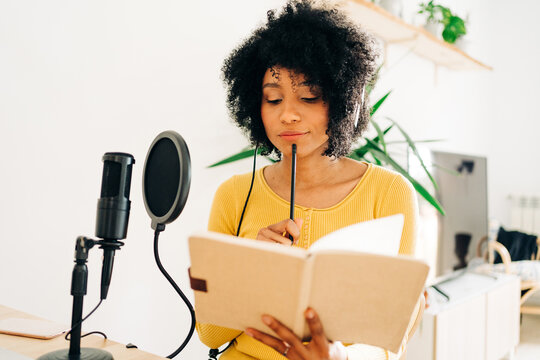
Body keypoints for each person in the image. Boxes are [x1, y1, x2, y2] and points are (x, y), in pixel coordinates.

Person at [197, 1, 421, 359]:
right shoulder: (233, 195)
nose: (287, 114)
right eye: (272, 98)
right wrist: (253, 271)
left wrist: (341, 357)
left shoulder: (389, 193)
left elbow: (395, 335)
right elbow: (210, 334)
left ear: (342, 101)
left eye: (309, 96)